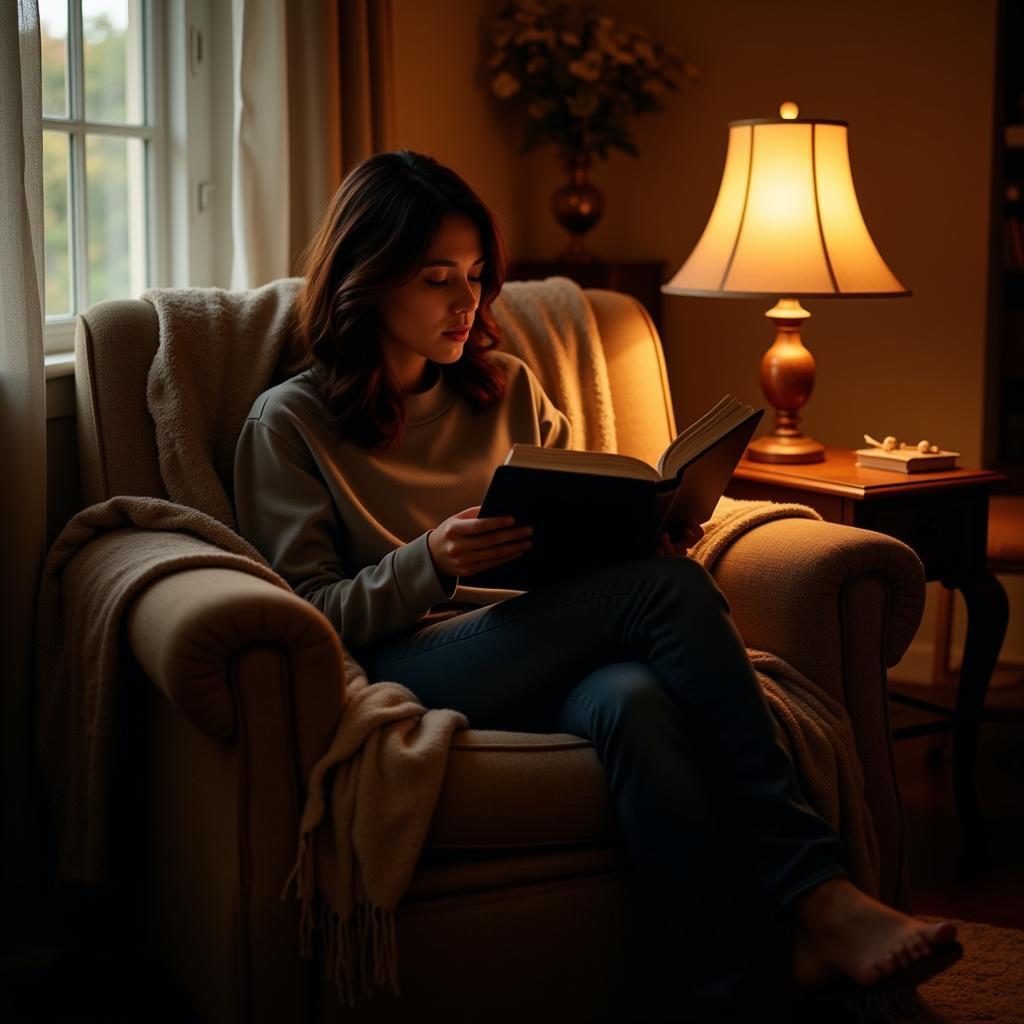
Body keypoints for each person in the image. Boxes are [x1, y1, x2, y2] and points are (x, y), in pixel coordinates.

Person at [232, 150, 960, 1022]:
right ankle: (818, 891)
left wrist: (646, 526)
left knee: (635, 702)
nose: (467, 303)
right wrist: (432, 559)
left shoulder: (506, 391)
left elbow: (573, 529)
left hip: (545, 645)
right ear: (366, 278)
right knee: (664, 594)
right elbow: (310, 612)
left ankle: (738, 996)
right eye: (436, 280)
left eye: (475, 276)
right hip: (410, 660)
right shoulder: (289, 423)